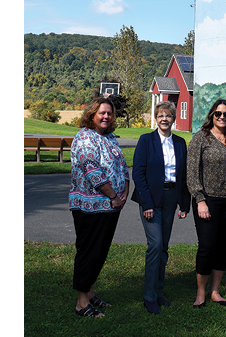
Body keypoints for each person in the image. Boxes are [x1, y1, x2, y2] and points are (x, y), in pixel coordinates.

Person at [187, 99, 226, 308]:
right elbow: (192, 172)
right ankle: (200, 293)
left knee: (223, 247)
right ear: (211, 116)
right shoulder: (201, 138)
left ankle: (215, 291)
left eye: (225, 114)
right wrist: (200, 199)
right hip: (209, 200)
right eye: (218, 114)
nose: (222, 117)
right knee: (207, 246)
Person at [69, 96, 129, 318]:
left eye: (109, 113)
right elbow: (91, 169)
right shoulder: (85, 138)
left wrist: (125, 189)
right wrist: (113, 195)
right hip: (89, 206)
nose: (106, 116)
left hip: (110, 206)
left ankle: (91, 293)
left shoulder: (110, 138)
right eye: (102, 112)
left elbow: (122, 165)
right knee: (89, 252)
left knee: (99, 252)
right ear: (92, 114)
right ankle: (81, 303)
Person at [131, 101, 190, 315]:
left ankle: (158, 293)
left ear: (174, 119)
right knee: (155, 245)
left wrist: (185, 203)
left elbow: (184, 176)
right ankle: (149, 297)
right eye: (160, 115)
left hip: (171, 196)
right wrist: (147, 204)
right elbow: (138, 172)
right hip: (151, 198)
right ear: (156, 119)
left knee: (163, 246)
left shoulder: (181, 143)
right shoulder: (146, 140)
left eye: (168, 115)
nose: (164, 119)